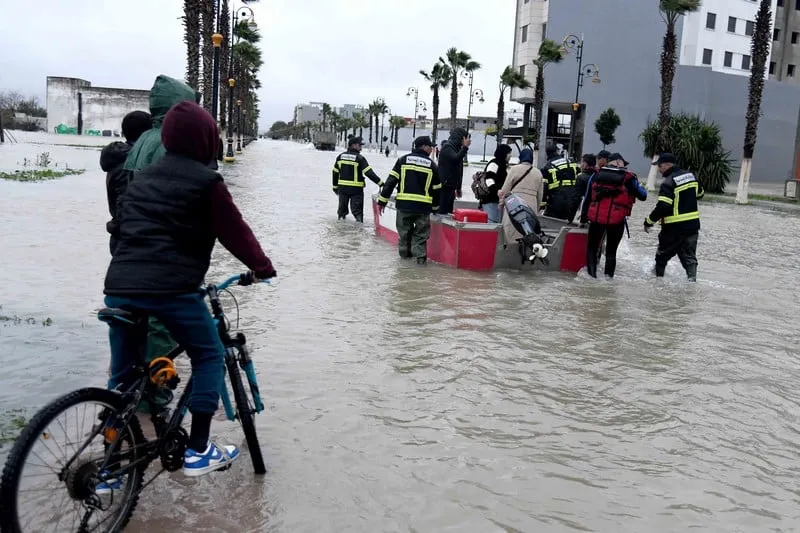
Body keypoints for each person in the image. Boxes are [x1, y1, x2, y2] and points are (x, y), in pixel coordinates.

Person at [103, 101, 277, 482]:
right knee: (210, 354)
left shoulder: (142, 177)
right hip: (172, 290)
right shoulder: (207, 182)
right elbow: (236, 232)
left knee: (123, 378)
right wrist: (263, 267)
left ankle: (108, 468)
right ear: (206, 140)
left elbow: (121, 229)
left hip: (118, 286)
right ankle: (200, 449)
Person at [580, 152, 647, 278]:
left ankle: (591, 278)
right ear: (618, 161)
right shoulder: (628, 178)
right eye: (623, 162)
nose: (624, 165)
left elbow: (588, 198)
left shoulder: (596, 174)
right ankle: (608, 280)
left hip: (597, 220)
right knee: (611, 252)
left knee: (592, 249)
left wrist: (583, 219)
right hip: (617, 221)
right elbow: (643, 196)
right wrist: (640, 187)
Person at [377, 136, 441, 264]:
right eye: (430, 147)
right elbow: (437, 189)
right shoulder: (432, 165)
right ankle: (420, 263)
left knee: (404, 235)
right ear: (424, 147)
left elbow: (390, 182)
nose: (431, 149)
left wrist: (382, 201)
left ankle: (404, 266)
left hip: (404, 206)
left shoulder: (402, 160)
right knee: (421, 237)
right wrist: (435, 208)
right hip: (423, 208)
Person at [644, 152, 704, 281]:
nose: (659, 170)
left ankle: (657, 283)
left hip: (673, 227)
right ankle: (692, 283)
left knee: (662, 257)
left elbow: (663, 207)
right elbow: (700, 194)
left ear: (666, 165)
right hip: (692, 226)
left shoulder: (668, 182)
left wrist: (649, 221)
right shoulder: (691, 176)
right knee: (689, 257)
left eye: (659, 166)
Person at [100, 110, 152, 255]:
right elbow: (126, 203)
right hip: (129, 239)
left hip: (121, 237)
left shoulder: (118, 157)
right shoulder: (130, 164)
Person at [499, 147, 545, 246]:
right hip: (530, 207)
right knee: (527, 232)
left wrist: (501, 203)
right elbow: (540, 195)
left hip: (514, 205)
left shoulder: (514, 169)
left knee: (511, 231)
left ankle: (509, 254)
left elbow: (505, 190)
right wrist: (535, 211)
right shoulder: (538, 173)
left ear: (520, 157)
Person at [332, 136, 383, 222]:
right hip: (356, 190)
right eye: (360, 145)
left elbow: (335, 173)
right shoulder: (360, 158)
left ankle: (341, 230)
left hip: (342, 189)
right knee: (358, 213)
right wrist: (381, 183)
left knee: (342, 212)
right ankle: (359, 231)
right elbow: (369, 173)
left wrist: (335, 187)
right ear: (354, 145)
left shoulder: (340, 157)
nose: (361, 147)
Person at [540, 144, 581, 221]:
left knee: (550, 224)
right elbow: (579, 178)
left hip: (555, 202)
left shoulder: (547, 167)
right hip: (572, 201)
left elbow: (545, 188)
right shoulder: (570, 162)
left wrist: (542, 205)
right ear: (557, 152)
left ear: (547, 154)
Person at [437, 127, 471, 215]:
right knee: (442, 213)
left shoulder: (456, 148)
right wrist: (465, 147)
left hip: (451, 186)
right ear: (461, 138)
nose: (467, 140)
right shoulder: (447, 147)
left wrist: (458, 187)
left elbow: (459, 170)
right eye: (466, 138)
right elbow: (455, 159)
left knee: (448, 213)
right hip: (445, 186)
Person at [478, 144, 513, 223]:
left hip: (498, 199)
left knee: (496, 223)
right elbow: (489, 179)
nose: (510, 156)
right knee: (492, 223)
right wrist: (496, 190)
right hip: (490, 199)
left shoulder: (503, 164)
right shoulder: (494, 163)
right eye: (509, 153)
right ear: (504, 153)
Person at [575, 153, 597, 222]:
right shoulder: (598, 175)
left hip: (586, 213)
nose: (581, 165)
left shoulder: (581, 178)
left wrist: (570, 217)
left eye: (582, 162)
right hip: (596, 212)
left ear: (585, 164)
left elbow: (576, 199)